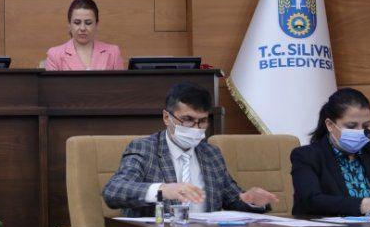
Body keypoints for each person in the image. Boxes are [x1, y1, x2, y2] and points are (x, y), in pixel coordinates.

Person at [103, 82, 279, 216]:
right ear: (167, 117)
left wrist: (250, 200)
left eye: (202, 121)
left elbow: (233, 199)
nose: (196, 128)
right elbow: (113, 191)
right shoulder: (145, 149)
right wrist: (162, 190)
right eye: (188, 119)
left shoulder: (211, 154)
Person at [291, 88, 370, 216]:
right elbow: (310, 201)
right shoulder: (306, 156)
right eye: (351, 126)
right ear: (330, 125)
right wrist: (365, 205)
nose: (360, 132)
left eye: (365, 126)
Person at [45, 0, 124, 71]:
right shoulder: (55, 55)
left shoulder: (113, 52)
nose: (82, 28)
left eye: (88, 23)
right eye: (77, 23)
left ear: (96, 25)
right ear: (69, 25)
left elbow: (121, 82)